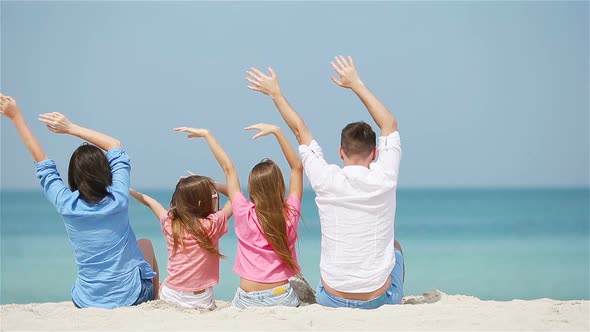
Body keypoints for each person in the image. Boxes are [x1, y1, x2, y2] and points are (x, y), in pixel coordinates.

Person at [245, 55, 403, 309]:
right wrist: (356, 83)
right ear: (375, 154)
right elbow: (389, 124)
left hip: (330, 297)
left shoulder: (325, 178)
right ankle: (396, 300)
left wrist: (275, 93)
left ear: (341, 152)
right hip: (375, 301)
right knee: (395, 249)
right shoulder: (385, 177)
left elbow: (300, 131)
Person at [0, 94, 159, 309]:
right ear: (106, 172)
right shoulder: (118, 198)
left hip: (86, 300)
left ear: (73, 177)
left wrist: (15, 116)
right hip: (130, 297)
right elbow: (115, 145)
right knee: (146, 244)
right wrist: (69, 127)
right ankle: (155, 301)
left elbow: (42, 163)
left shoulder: (66, 204)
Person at [174, 123, 303, 308]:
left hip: (247, 298)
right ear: (280, 187)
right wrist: (278, 132)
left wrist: (207, 134)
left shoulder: (243, 211)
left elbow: (228, 168)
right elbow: (297, 167)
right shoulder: (290, 214)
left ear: (251, 189)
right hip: (280, 295)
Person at [129, 175, 231, 309]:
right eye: (214, 196)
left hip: (171, 295)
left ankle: (155, 296)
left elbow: (152, 203)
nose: (215, 198)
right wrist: (212, 184)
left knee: (161, 281)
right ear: (201, 203)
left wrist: (129, 191)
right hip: (202, 300)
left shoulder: (171, 224)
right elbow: (235, 196)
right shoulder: (212, 225)